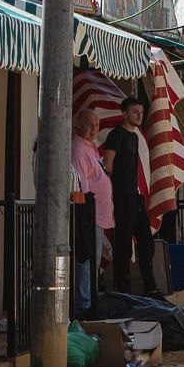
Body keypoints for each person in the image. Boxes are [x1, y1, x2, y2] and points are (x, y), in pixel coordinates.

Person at [102, 97, 158, 295]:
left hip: (135, 195)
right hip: (121, 195)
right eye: (135, 112)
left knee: (146, 240)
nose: (139, 115)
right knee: (124, 243)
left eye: (141, 112)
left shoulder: (134, 137)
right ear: (124, 113)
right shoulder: (115, 135)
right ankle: (123, 289)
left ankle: (150, 286)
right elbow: (107, 165)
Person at [70, 108, 115, 315]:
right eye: (89, 125)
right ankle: (84, 306)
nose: (94, 129)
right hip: (89, 214)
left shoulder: (91, 147)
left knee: (93, 261)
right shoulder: (78, 149)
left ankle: (89, 302)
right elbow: (81, 187)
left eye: (97, 125)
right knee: (86, 261)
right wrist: (85, 215)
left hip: (99, 214)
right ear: (78, 125)